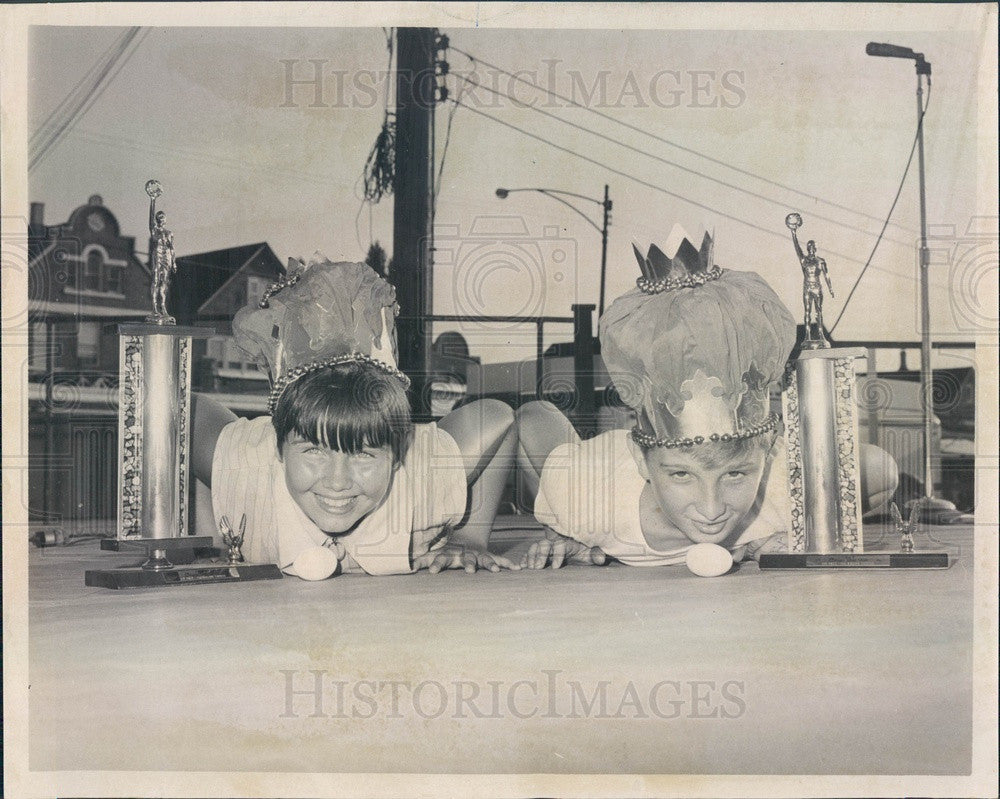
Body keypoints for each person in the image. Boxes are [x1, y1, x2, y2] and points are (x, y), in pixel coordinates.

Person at [515, 227, 897, 569]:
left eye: (735, 474)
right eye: (681, 474)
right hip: (606, 475)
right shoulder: (590, 496)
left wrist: (793, 530)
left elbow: (881, 470)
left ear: (769, 451)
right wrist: (563, 530)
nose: (711, 510)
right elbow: (533, 416)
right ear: (642, 461)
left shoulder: (787, 489)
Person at [191, 256, 517, 580]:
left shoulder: (421, 474)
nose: (337, 482)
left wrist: (468, 538)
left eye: (362, 453)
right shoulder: (246, 464)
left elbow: (501, 418)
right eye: (315, 450)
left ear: (397, 455)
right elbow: (187, 412)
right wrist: (213, 533)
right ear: (278, 449)